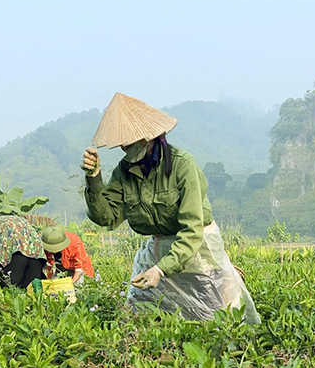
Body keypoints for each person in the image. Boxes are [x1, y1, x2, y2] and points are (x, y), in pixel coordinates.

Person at [81, 92, 259, 324]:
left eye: (129, 143)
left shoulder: (182, 165)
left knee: (210, 314)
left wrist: (161, 270)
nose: (124, 149)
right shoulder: (123, 172)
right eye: (122, 145)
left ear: (147, 139)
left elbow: (192, 229)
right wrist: (94, 178)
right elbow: (107, 217)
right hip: (157, 250)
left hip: (197, 251)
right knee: (141, 310)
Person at [0, 215, 47, 289]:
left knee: (9, 288)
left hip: (14, 251)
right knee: (33, 289)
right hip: (36, 250)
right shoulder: (22, 222)